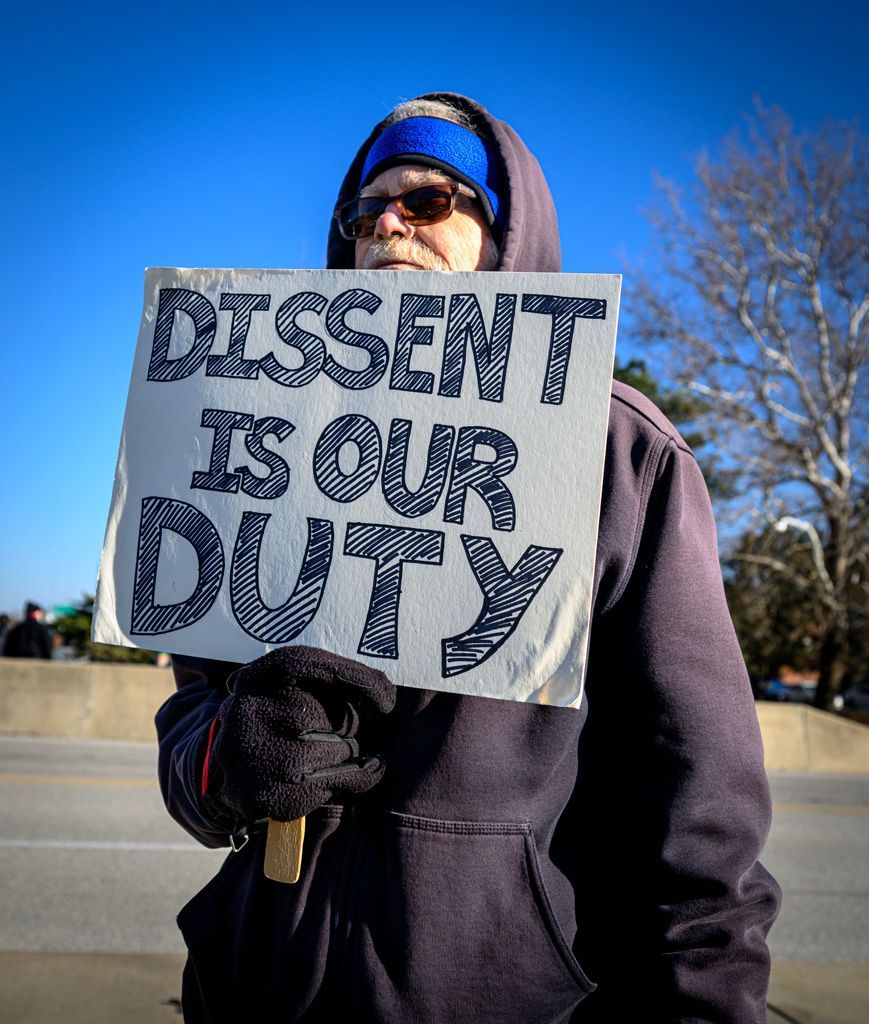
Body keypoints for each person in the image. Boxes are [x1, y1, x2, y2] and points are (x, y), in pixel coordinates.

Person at [157, 93, 781, 1023]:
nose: (386, 226)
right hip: (253, 986)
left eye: (428, 200)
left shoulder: (617, 452)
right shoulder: (263, 434)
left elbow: (698, 798)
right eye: (364, 211)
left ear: (503, 237)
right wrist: (222, 760)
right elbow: (192, 711)